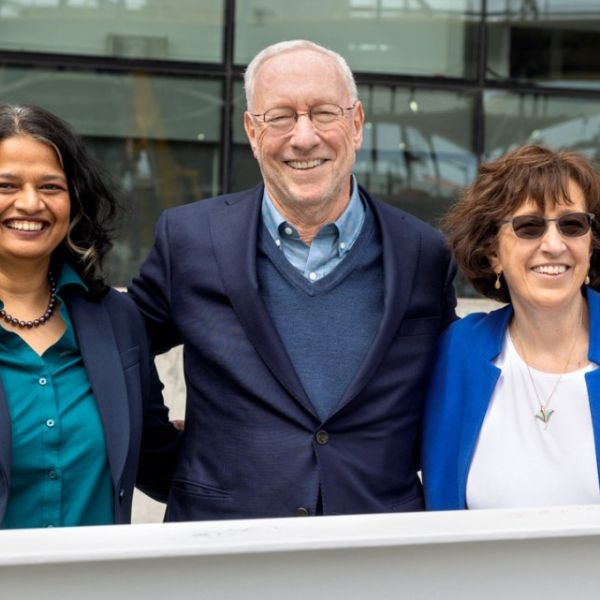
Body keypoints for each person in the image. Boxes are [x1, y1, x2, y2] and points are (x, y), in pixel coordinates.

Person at [129, 40, 457, 521]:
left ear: (357, 123)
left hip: (376, 546)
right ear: (251, 130)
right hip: (223, 545)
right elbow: (118, 351)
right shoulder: (189, 239)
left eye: (324, 113)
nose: (304, 138)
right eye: (280, 117)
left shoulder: (424, 252)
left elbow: (452, 384)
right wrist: (168, 461)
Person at [0, 104, 179, 528]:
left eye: (51, 186)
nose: (30, 203)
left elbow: (159, 460)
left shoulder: (117, 320)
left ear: (75, 202)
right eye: (6, 185)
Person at [422, 144, 600, 510]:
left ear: (590, 243)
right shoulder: (458, 352)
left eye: (572, 225)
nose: (554, 245)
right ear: (493, 254)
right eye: (529, 227)